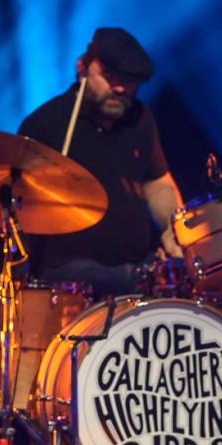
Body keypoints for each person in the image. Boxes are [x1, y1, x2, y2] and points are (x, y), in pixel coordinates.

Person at [18, 27, 184, 299]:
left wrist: (172, 229)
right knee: (103, 282)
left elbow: (157, 184)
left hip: (138, 266)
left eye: (128, 82)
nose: (119, 88)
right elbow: (21, 205)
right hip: (69, 273)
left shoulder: (141, 118)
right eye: (109, 77)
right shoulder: (46, 124)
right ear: (82, 68)